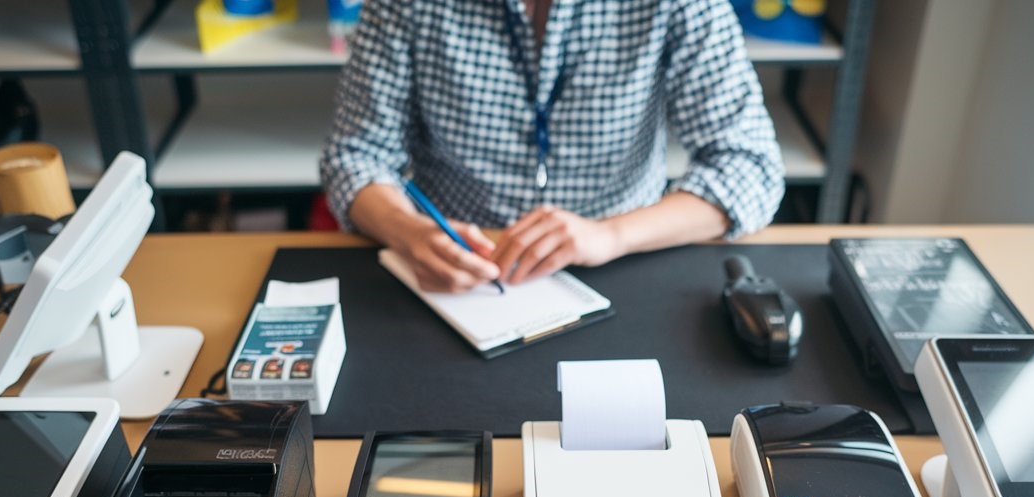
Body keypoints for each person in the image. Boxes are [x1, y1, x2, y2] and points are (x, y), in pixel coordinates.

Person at [321, 0, 785, 292]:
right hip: (459, 265)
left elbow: (749, 166)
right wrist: (407, 230)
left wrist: (610, 235)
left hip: (627, 257)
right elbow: (355, 155)